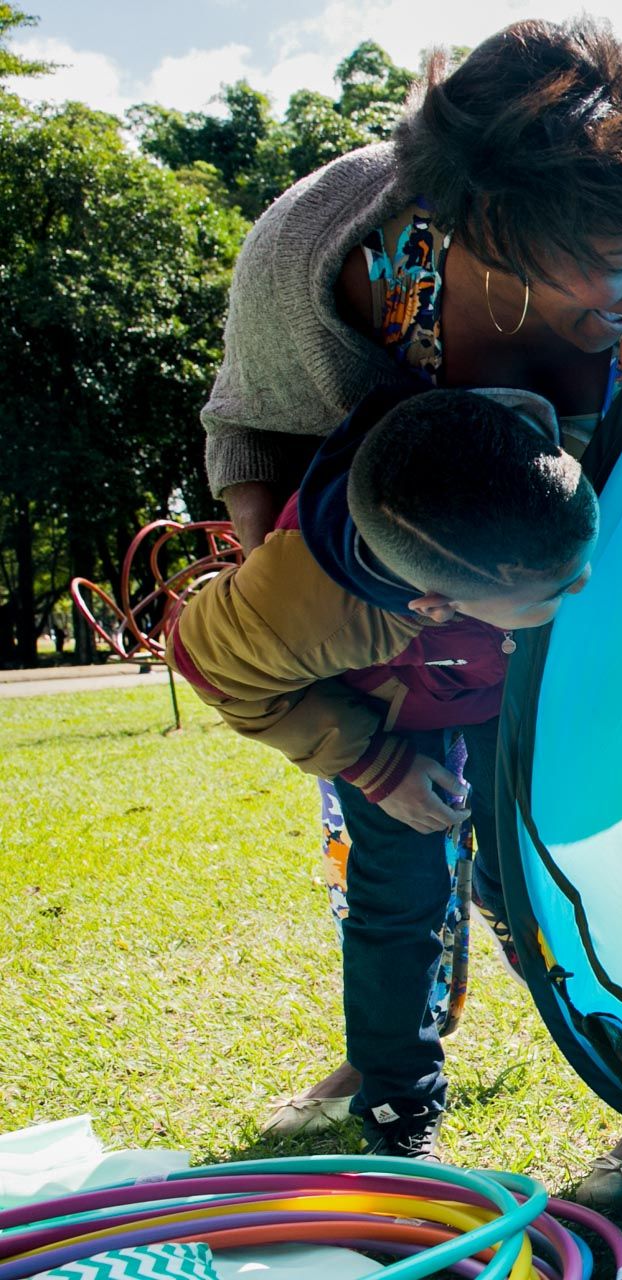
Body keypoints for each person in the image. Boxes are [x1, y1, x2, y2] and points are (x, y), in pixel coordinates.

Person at [198, 15, 622, 1197]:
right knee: (394, 862)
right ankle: (389, 1063)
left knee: (591, 862)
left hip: (606, 594)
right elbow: (254, 431)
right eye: (606, 265)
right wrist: (331, 624)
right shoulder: (329, 249)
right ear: (483, 231)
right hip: (395, 594)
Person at [170, 387, 596, 1158]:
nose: (584, 586)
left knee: (538, 876)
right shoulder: (298, 601)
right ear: (435, 606)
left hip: (516, 698)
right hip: (388, 715)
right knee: (396, 901)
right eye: (555, 590)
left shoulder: (532, 479)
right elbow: (209, 666)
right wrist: (375, 764)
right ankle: (399, 1116)